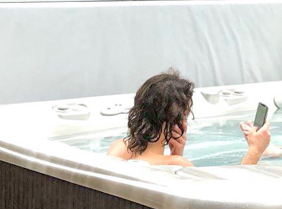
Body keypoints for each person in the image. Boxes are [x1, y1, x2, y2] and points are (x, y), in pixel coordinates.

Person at [106, 70, 271, 166]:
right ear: (176, 122)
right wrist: (255, 151)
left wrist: (176, 153)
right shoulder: (177, 165)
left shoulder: (119, 148)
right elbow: (229, 197)